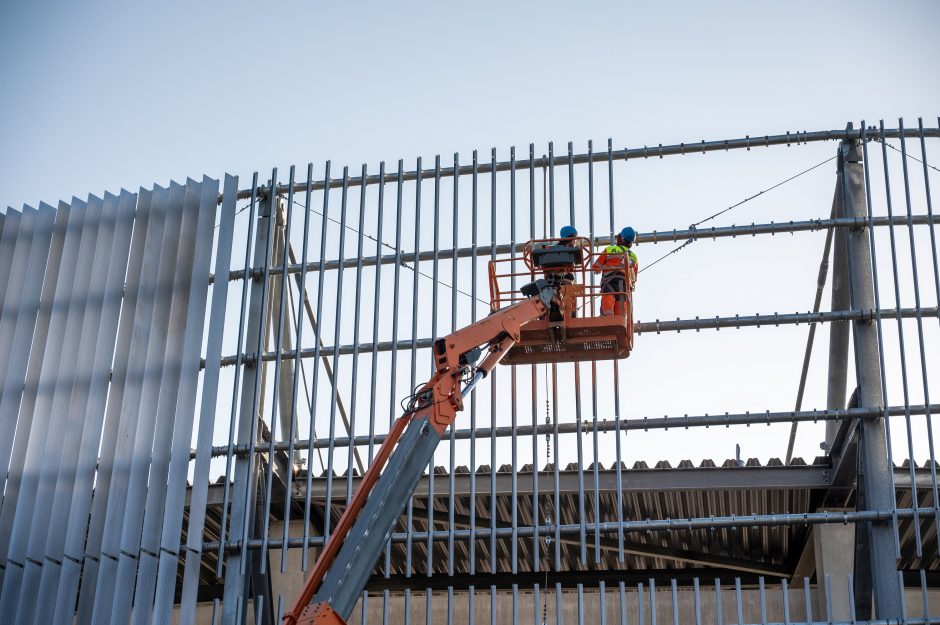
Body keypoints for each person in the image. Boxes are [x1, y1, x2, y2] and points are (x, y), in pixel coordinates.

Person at [592, 226, 638, 316]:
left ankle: (607, 316)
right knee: (621, 307)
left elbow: (595, 267)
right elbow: (634, 278)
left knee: (608, 299)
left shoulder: (610, 249)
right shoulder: (634, 257)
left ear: (620, 238)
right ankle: (620, 319)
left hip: (609, 281)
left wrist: (597, 271)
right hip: (624, 285)